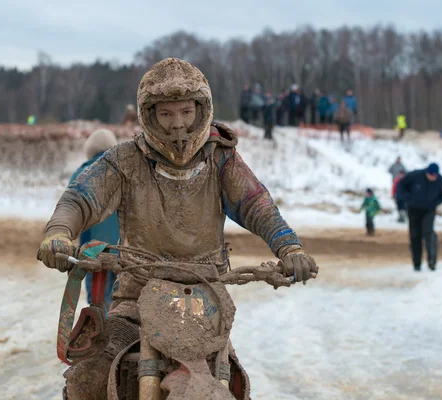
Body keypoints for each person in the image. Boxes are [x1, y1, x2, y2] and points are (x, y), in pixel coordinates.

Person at [37, 58, 318, 398]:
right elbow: (80, 198)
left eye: (185, 112)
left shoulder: (221, 159)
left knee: (228, 386)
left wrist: (289, 248)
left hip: (206, 301)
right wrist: (58, 232)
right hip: (135, 299)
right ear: (149, 113)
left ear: (201, 110)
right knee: (87, 379)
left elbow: (257, 205)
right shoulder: (125, 160)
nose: (177, 125)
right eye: (166, 114)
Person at [69, 128, 120, 311]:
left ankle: (102, 335)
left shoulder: (81, 176)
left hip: (93, 252)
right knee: (123, 304)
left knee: (98, 305)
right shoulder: (124, 173)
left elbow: (71, 214)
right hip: (124, 253)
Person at [396, 163, 442, 271]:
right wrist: (407, 198)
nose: (433, 178)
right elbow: (401, 185)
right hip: (413, 209)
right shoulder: (415, 176)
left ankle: (432, 261)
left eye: (435, 176)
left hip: (429, 210)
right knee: (415, 236)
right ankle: (417, 264)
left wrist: (435, 202)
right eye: (431, 175)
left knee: (428, 233)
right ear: (427, 173)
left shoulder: (440, 181)